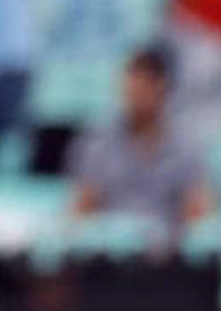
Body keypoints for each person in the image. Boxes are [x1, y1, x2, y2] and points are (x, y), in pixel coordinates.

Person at [69, 47, 213, 253]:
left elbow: (197, 212)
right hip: (108, 256)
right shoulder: (99, 142)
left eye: (140, 90)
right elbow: (81, 208)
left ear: (161, 87)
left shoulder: (187, 145)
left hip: (168, 258)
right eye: (128, 90)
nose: (132, 98)